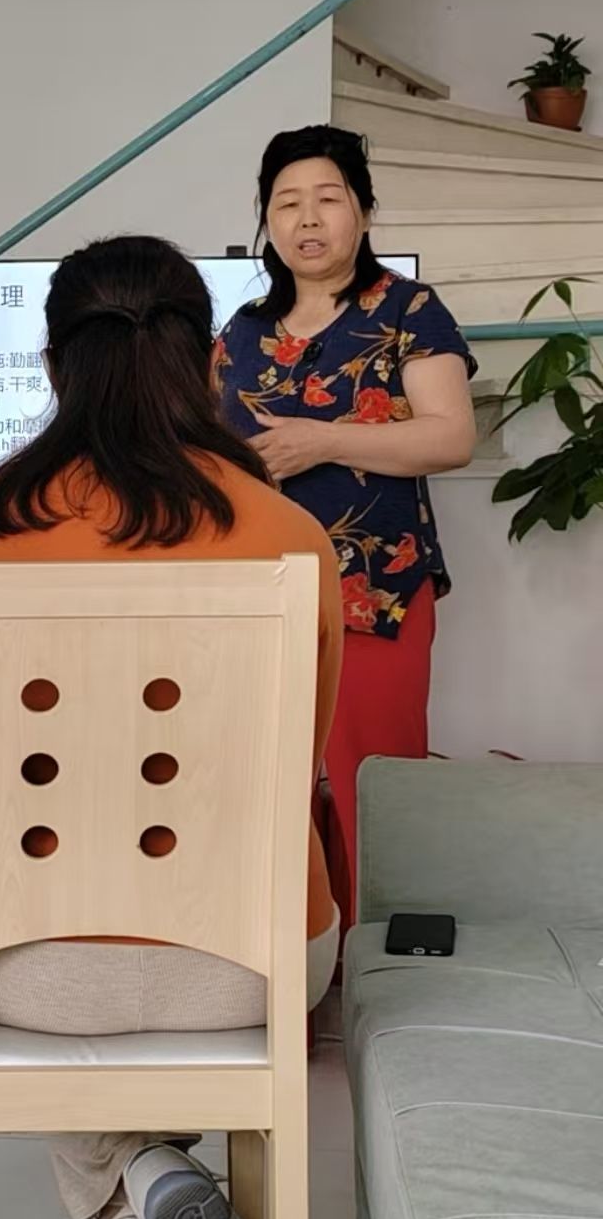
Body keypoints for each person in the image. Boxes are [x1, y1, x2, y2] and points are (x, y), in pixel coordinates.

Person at [0, 234, 343, 1219]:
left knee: (7, 923)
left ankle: (124, 1194)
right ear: (209, 361)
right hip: (248, 966)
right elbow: (305, 756)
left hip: (24, 967)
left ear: (52, 365)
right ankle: (146, 1182)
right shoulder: (291, 536)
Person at [216, 125, 476, 928]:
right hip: (260, 595)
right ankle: (288, 962)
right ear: (266, 218)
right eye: (286, 203)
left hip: (376, 589)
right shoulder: (241, 331)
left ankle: (378, 969)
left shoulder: (408, 308)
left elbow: (451, 436)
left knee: (375, 789)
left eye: (327, 199)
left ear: (363, 211)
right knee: (266, 789)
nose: (307, 219)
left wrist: (324, 439)